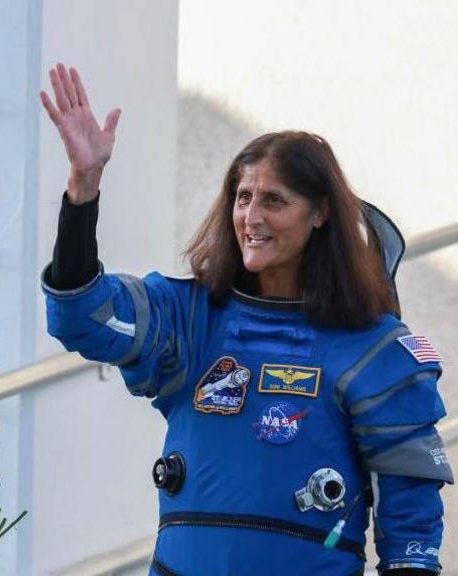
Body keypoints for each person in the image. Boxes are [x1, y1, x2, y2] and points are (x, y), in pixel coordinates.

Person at [39, 63, 452, 576]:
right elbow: (83, 316)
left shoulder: (373, 347)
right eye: (242, 197)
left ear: (320, 213)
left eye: (274, 200)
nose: (251, 218)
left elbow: (412, 524)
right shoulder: (190, 318)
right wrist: (84, 188)